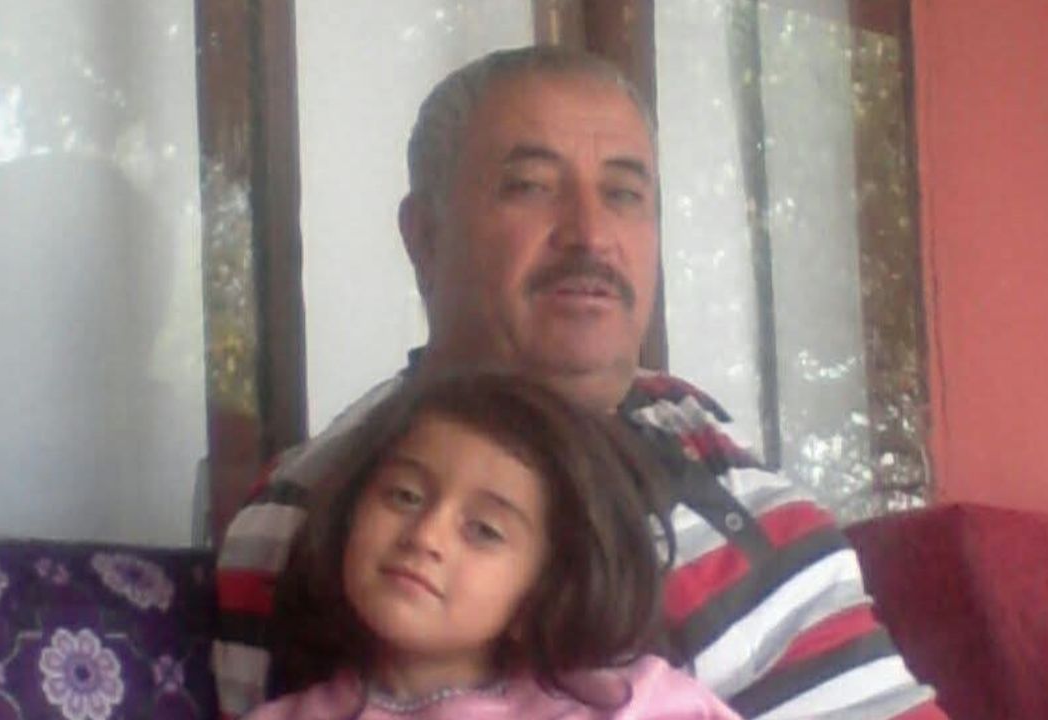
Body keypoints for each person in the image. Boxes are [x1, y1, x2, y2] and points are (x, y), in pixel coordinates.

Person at [215, 45, 948, 719]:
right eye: (531, 187)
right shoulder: (338, 511)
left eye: (624, 194)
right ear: (426, 237)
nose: (592, 234)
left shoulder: (686, 418)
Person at [245, 372, 740, 719]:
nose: (426, 536)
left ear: (547, 586)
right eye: (405, 496)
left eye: (484, 530)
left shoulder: (632, 705)